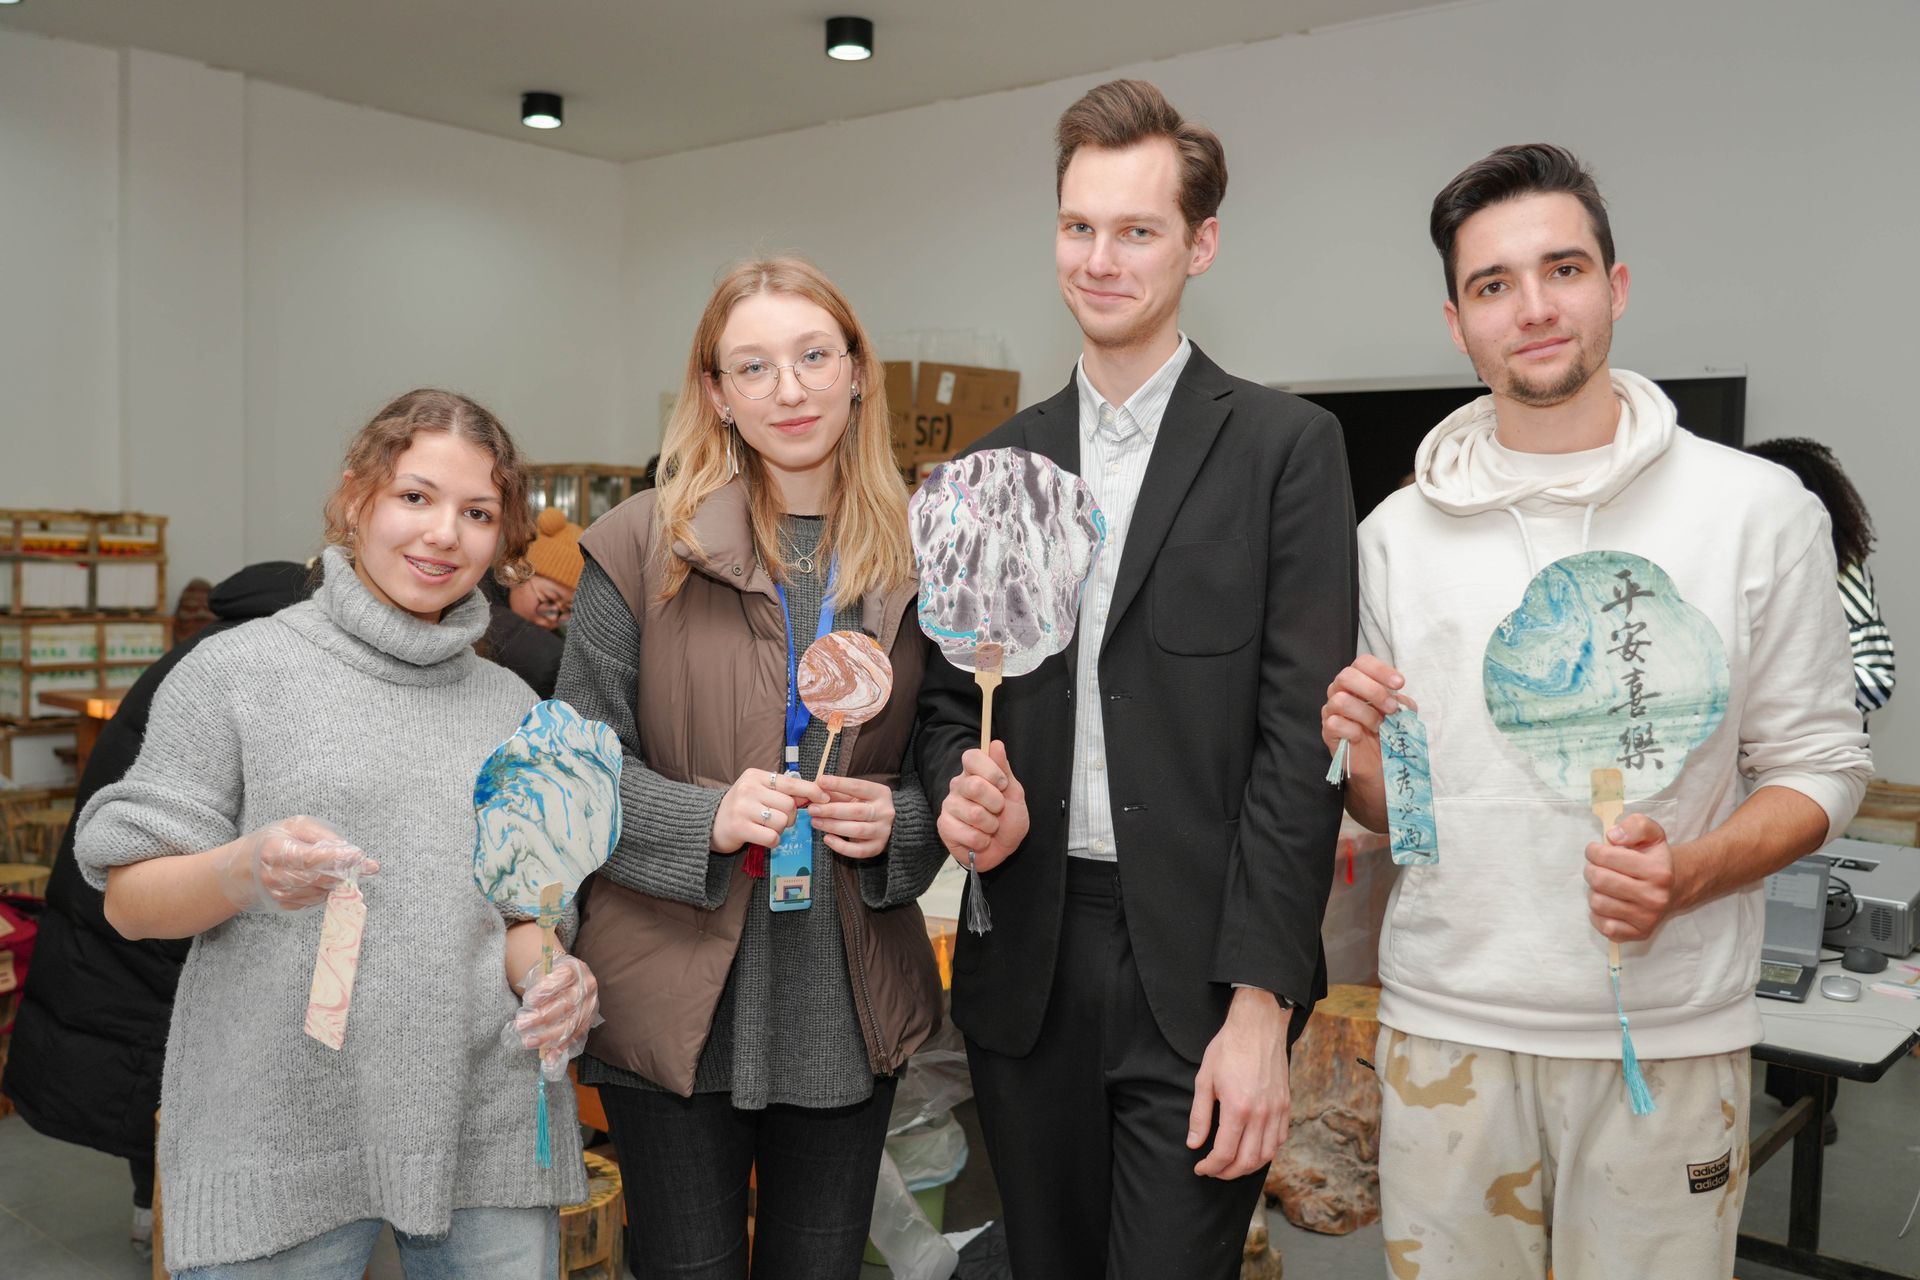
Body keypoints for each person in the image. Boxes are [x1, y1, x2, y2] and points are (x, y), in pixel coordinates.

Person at [1321, 144, 1872, 1279]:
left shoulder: (1757, 509)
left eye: (1561, 268)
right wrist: (1365, 764)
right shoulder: (1393, 536)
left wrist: (1695, 871)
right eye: (1493, 284)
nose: (1532, 307)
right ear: (1457, 320)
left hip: (1665, 1045)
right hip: (1445, 1037)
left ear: (1615, 287)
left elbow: (1824, 764)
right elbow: (1401, 820)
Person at [918, 80, 1357, 1279]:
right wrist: (960, 784)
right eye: (1077, 226)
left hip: (1204, 969)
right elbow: (954, 699)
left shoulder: (1284, 450)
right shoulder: (995, 466)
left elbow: (1296, 748)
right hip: (1028, 966)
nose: (1099, 259)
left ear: (1200, 243)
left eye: (1137, 230)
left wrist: (1262, 1005)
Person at [73, 389, 602, 1278]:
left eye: (477, 513)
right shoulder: (238, 672)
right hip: (284, 1130)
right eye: (415, 497)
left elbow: (523, 919)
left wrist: (555, 977)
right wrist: (244, 871)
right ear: (358, 496)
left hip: (484, 1121)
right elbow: (128, 901)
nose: (443, 534)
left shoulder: (514, 706)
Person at [558, 257, 945, 1280]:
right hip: (673, 980)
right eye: (756, 366)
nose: (791, 388)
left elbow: (954, 744)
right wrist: (705, 816)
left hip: (844, 982)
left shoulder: (921, 554)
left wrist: (899, 820)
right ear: (718, 394)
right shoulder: (642, 546)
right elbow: (574, 766)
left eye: (814, 355)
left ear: (858, 372)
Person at [3, 560, 311, 1255]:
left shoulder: (208, 646)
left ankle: (163, 1214)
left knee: (151, 1057)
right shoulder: (250, 666)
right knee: (161, 1056)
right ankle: (180, 1227)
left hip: (121, 889)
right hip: (153, 894)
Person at [1746, 437, 1895, 722]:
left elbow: (1875, 681)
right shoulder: (1746, 568)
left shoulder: (1843, 574)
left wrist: (1771, 690)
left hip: (1807, 755)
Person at [478, 506, 582, 697]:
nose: (552, 618)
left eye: (567, 610)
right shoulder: (474, 601)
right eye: (549, 600)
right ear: (519, 574)